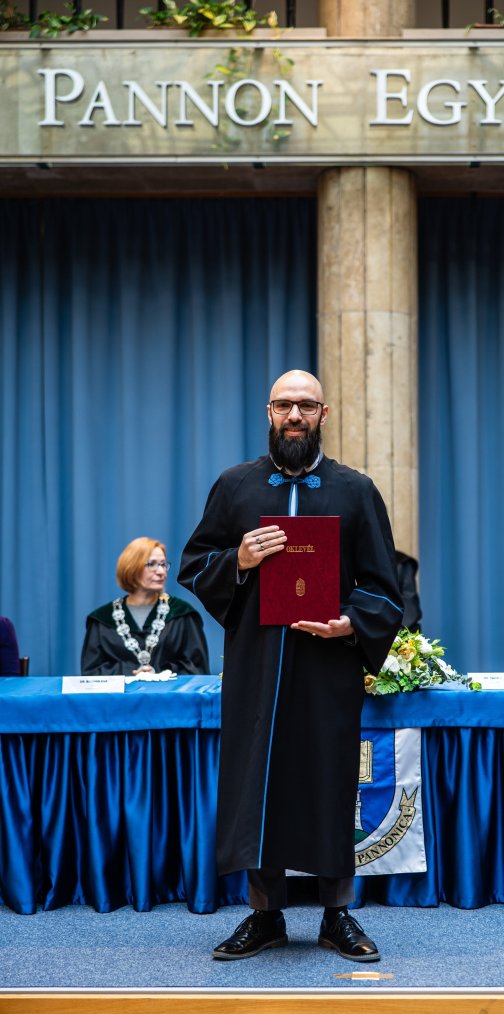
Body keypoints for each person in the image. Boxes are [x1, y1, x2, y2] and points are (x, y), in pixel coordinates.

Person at [179, 369, 402, 963]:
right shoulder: (235, 487)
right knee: (256, 785)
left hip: (327, 668)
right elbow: (195, 564)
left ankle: (337, 913)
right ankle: (265, 914)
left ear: (324, 414)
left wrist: (351, 622)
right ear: (269, 413)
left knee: (329, 781)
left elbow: (386, 586)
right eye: (284, 406)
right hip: (256, 667)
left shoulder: (356, 491)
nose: (295, 416)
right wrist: (238, 558)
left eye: (306, 406)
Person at [81, 537, 209, 676]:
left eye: (163, 564)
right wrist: (130, 672)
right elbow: (91, 673)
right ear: (131, 568)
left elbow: (198, 669)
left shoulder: (182, 614)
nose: (161, 571)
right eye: (152, 564)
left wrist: (160, 673)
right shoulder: (102, 619)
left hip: (170, 690)